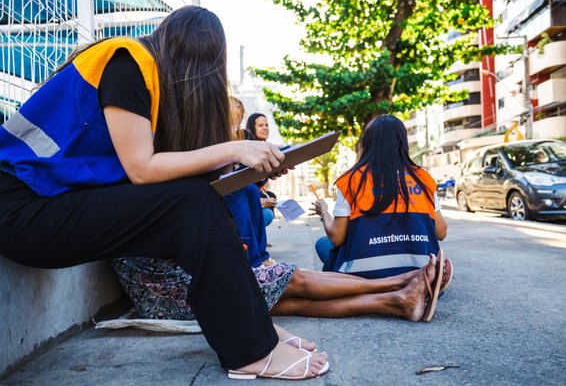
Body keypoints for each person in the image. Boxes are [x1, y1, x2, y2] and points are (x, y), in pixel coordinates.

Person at [0, 6, 328, 380]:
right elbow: (142, 169)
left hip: (47, 206)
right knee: (191, 203)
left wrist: (248, 167)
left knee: (197, 200)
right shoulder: (127, 59)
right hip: (19, 211)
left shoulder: (148, 87)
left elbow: (161, 177)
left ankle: (256, 333)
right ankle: (250, 350)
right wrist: (236, 149)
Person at [112, 250, 446, 324]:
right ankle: (400, 284)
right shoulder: (140, 177)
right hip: (178, 291)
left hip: (175, 286)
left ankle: (398, 299)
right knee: (290, 277)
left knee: (291, 300)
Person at [311, 114, 448, 281]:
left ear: (368, 142)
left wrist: (324, 212)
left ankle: (344, 287)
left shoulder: (351, 180)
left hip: (364, 279)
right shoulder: (423, 178)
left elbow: (337, 237)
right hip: (421, 276)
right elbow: (441, 233)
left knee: (323, 244)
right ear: (403, 142)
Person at [226, 97, 275, 267]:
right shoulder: (214, 135)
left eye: (236, 122)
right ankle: (254, 261)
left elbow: (255, 179)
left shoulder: (243, 137)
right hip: (222, 185)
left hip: (243, 184)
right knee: (238, 190)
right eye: (230, 122)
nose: (233, 127)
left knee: (251, 190)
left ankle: (261, 255)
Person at [246, 112, 277, 242]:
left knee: (271, 196)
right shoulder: (248, 151)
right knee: (267, 214)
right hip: (245, 201)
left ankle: (260, 237)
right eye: (260, 125)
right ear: (252, 128)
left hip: (254, 198)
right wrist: (263, 203)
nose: (265, 128)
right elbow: (245, 191)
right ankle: (252, 240)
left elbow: (262, 189)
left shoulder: (267, 150)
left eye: (266, 125)